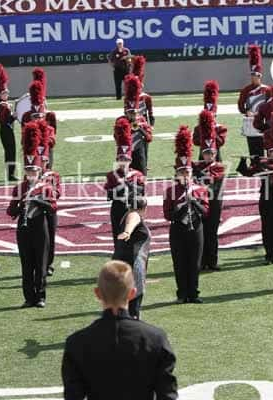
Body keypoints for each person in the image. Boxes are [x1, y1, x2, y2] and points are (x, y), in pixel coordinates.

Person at [61, 261, 178, 400]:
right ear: (132, 293)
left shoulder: (77, 342)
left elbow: (73, 396)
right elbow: (167, 395)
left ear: (98, 293)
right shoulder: (155, 338)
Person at [7, 122, 57, 308]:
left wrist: (37, 202)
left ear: (39, 171)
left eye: (34, 171)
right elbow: (10, 211)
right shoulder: (19, 188)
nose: (31, 174)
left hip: (40, 226)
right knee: (27, 264)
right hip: (24, 227)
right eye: (28, 171)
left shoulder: (45, 187)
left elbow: (53, 207)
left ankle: (41, 296)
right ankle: (29, 297)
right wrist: (20, 204)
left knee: (41, 263)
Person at [237, 108, 273, 264]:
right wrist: (243, 162)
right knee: (268, 227)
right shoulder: (263, 163)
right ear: (269, 152)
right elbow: (247, 173)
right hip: (267, 198)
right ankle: (269, 253)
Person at [163, 126, 209, 304]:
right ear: (176, 174)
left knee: (195, 262)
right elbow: (168, 215)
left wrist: (194, 201)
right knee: (180, 263)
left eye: (187, 172)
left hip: (196, 227)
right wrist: (184, 206)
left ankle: (194, 293)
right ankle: (182, 294)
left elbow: (206, 212)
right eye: (181, 172)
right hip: (178, 229)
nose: (185, 175)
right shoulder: (170, 191)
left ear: (191, 173)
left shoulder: (200, 189)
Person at [192, 110, 225, 271]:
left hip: (214, 202)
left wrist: (197, 172)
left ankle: (212, 261)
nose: (209, 156)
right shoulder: (197, 166)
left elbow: (211, 180)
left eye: (211, 153)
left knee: (211, 232)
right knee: (200, 232)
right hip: (200, 203)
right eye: (206, 153)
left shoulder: (218, 166)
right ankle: (201, 261)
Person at [105, 117, 145, 248]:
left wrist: (132, 187)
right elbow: (109, 196)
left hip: (133, 209)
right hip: (118, 208)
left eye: (125, 159)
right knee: (118, 239)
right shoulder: (112, 175)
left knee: (133, 237)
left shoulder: (137, 175)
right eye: (120, 159)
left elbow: (142, 195)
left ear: (130, 160)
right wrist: (121, 187)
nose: (123, 162)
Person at [113, 197, 151, 319]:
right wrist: (128, 232)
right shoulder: (134, 215)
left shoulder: (127, 214)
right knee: (134, 299)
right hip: (133, 262)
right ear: (144, 207)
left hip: (122, 261)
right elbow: (132, 221)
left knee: (121, 300)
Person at [39, 120, 61, 277]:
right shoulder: (32, 177)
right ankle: (40, 264)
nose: (43, 163)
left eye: (45, 160)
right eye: (41, 160)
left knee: (51, 238)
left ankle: (49, 264)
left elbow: (58, 193)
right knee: (39, 240)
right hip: (36, 210)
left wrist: (48, 192)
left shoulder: (52, 175)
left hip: (50, 209)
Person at [237, 44, 269, 157]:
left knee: (264, 146)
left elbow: (271, 105)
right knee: (252, 146)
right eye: (252, 75)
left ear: (260, 76)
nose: (253, 77)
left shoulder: (267, 89)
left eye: (256, 75)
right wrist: (246, 111)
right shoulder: (246, 90)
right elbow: (240, 105)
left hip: (263, 121)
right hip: (250, 121)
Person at [120, 74, 152, 175]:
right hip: (125, 155)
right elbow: (116, 138)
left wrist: (140, 129)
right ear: (126, 111)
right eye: (130, 112)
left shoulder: (142, 120)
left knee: (142, 178)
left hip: (139, 153)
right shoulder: (121, 122)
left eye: (134, 112)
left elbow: (149, 138)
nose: (132, 114)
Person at [0, 63, 17, 181]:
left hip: (6, 130)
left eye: (7, 92)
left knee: (10, 151)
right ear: (0, 94)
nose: (7, 94)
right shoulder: (3, 106)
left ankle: (10, 174)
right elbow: (5, 121)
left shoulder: (4, 104)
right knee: (10, 151)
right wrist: (14, 116)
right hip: (6, 130)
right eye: (4, 93)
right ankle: (10, 175)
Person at [193, 81, 227, 161]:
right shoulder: (198, 128)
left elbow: (221, 142)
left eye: (212, 116)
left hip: (216, 156)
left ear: (215, 115)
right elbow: (195, 142)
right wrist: (203, 133)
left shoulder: (220, 128)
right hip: (202, 156)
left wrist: (212, 132)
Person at [130, 56, 155, 126]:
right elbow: (126, 113)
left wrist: (151, 126)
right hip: (132, 124)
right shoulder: (129, 97)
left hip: (143, 124)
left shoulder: (146, 97)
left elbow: (150, 113)